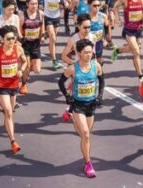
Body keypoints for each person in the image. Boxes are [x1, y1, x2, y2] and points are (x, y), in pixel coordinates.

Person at [58, 39, 105, 179]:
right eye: (86, 52)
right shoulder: (72, 68)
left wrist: (100, 96)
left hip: (91, 104)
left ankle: (71, 117)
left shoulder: (96, 66)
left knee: (85, 134)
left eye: (91, 52)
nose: (89, 55)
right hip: (78, 104)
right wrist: (67, 96)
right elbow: (60, 82)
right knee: (85, 134)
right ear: (79, 53)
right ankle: (88, 163)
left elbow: (102, 80)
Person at [0, 25, 28, 154]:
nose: (11, 41)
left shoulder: (18, 49)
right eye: (8, 39)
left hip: (14, 85)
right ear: (2, 39)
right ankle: (13, 141)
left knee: (10, 110)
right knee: (8, 112)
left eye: (13, 38)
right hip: (2, 85)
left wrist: (21, 69)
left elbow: (25, 62)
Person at [110, 0, 143, 86]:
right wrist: (118, 19)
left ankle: (118, 51)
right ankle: (141, 76)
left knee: (131, 48)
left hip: (139, 29)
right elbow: (115, 6)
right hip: (129, 30)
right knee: (136, 52)